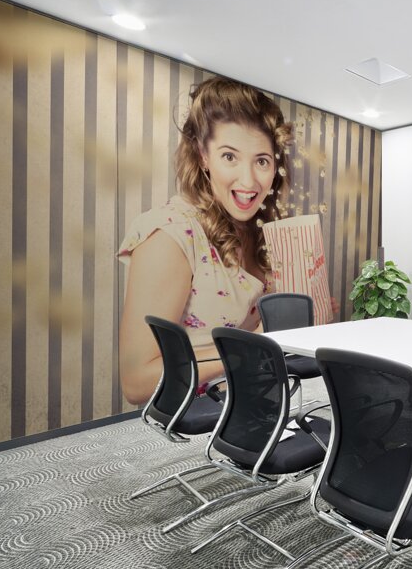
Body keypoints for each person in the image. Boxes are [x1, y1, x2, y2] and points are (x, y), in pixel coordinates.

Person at [118, 77, 293, 405]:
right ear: (203, 156)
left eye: (262, 161)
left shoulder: (259, 232)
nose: (248, 180)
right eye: (229, 157)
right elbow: (137, 381)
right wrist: (253, 345)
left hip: (255, 407)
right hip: (198, 420)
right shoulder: (170, 235)